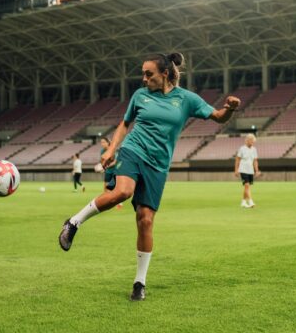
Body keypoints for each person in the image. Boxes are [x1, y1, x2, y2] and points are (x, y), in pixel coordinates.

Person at [58, 52, 241, 301]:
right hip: (133, 150)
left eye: (149, 74)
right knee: (123, 191)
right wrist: (111, 149)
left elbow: (219, 117)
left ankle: (139, 283)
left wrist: (230, 108)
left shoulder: (186, 99)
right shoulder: (140, 96)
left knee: (145, 220)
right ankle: (74, 223)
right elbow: (125, 124)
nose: (144, 79)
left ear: (164, 74)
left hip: (158, 165)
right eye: (143, 73)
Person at [234, 133, 261, 208]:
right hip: (243, 169)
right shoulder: (242, 148)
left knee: (247, 187)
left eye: (253, 141)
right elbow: (237, 160)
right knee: (247, 185)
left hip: (250, 170)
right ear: (247, 140)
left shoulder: (254, 149)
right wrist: (236, 170)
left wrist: (257, 170)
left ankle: (243, 202)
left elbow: (255, 161)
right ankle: (250, 201)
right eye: (251, 141)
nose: (253, 142)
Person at [99, 137, 123, 209]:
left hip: (115, 170)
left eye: (103, 142)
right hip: (108, 171)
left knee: (115, 188)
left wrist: (106, 166)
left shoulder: (113, 149)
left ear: (108, 142)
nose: (102, 144)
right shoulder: (102, 151)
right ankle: (107, 203)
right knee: (106, 188)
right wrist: (102, 166)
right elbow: (102, 160)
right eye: (101, 142)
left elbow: (115, 161)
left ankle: (119, 203)